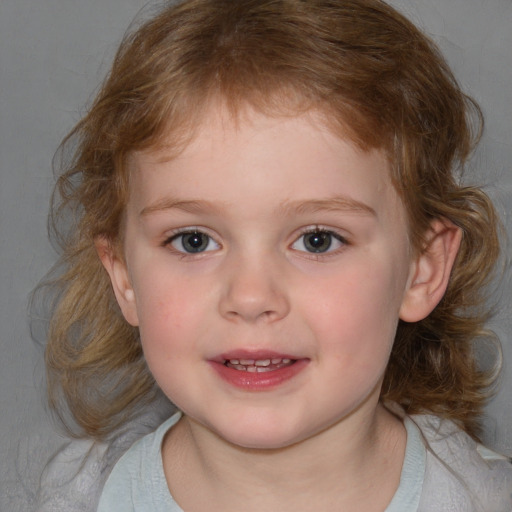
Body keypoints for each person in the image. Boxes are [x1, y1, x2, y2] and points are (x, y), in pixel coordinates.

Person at [39, 0, 512, 510]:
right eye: (193, 240)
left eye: (317, 240)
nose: (250, 297)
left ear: (422, 268)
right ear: (124, 277)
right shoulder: (72, 499)